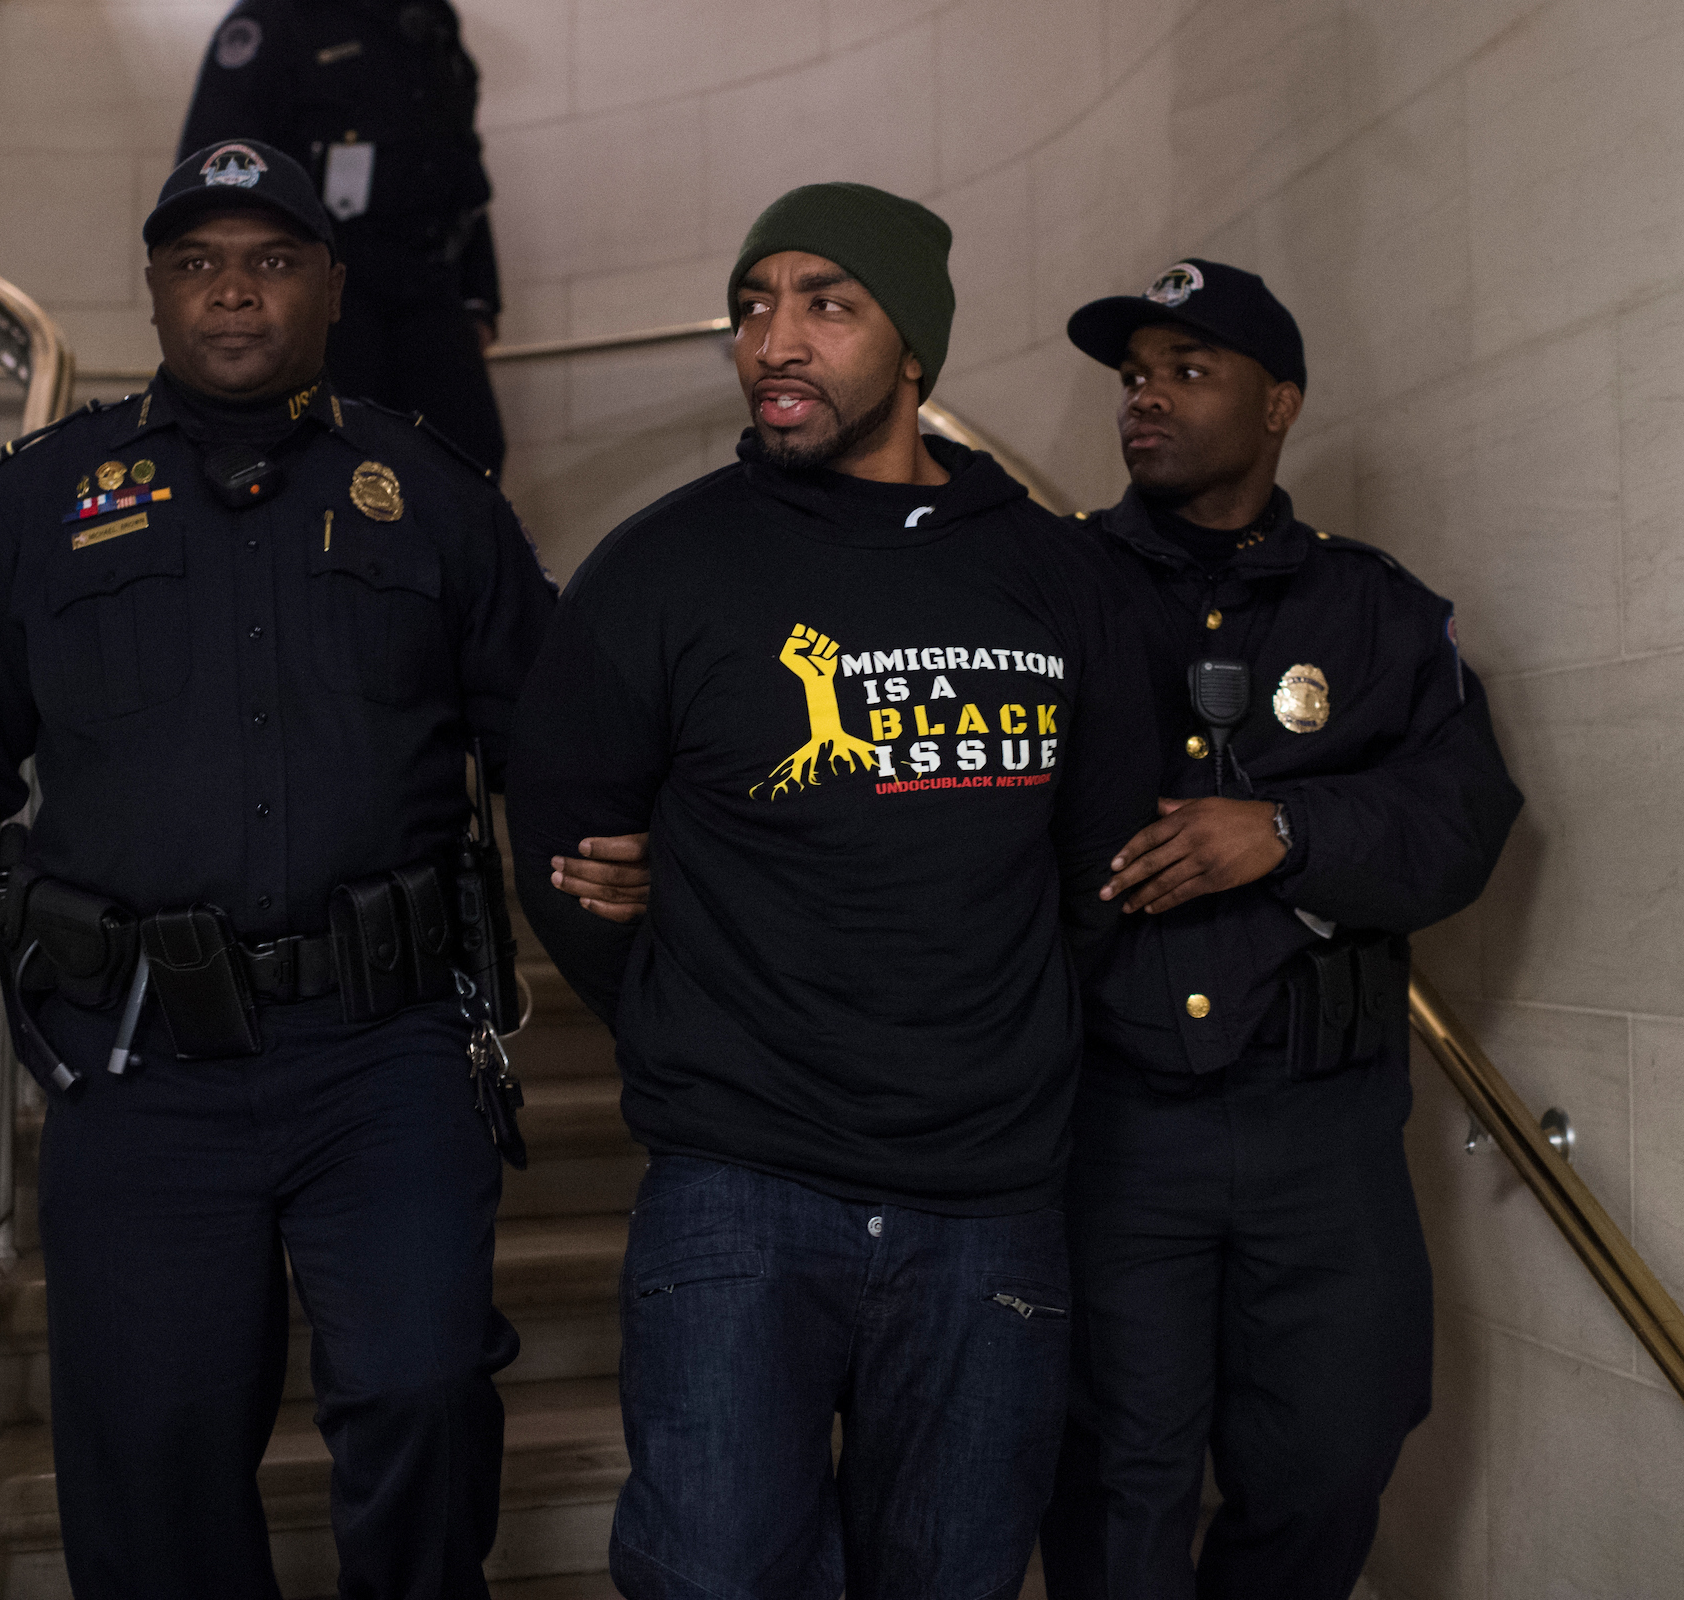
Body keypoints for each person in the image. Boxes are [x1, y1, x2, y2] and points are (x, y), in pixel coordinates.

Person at [0, 141, 556, 1600]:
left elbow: (559, 746)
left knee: (422, 1394)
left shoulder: (429, 495)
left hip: (390, 1055)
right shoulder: (47, 502)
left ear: (333, 288)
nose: (234, 292)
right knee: (151, 1452)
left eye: (274, 260)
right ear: (156, 293)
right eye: (198, 264)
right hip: (140, 1062)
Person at [506, 182, 1155, 1600]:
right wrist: (691, 988)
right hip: (741, 1181)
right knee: (712, 1576)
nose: (774, 341)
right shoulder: (666, 565)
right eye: (754, 306)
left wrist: (996, 1023)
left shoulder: (1055, 575)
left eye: (826, 303)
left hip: (988, 1198)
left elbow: (1104, 864)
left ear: (913, 351)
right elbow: (561, 836)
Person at [1036, 260, 1523, 1599]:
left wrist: (1291, 833)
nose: (1147, 399)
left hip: (1327, 1121)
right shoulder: (1051, 586)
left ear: (1279, 405)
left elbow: (1465, 816)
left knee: (1333, 1453)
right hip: (1117, 1117)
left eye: (1189, 371)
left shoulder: (1374, 610)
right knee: (1118, 1470)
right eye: (1136, 376)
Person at [178, 0, 508, 473]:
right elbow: (216, 177)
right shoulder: (272, 22)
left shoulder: (428, 17)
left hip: (430, 286)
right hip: (327, 295)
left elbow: (459, 166)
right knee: (332, 466)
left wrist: (480, 297)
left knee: (470, 460)